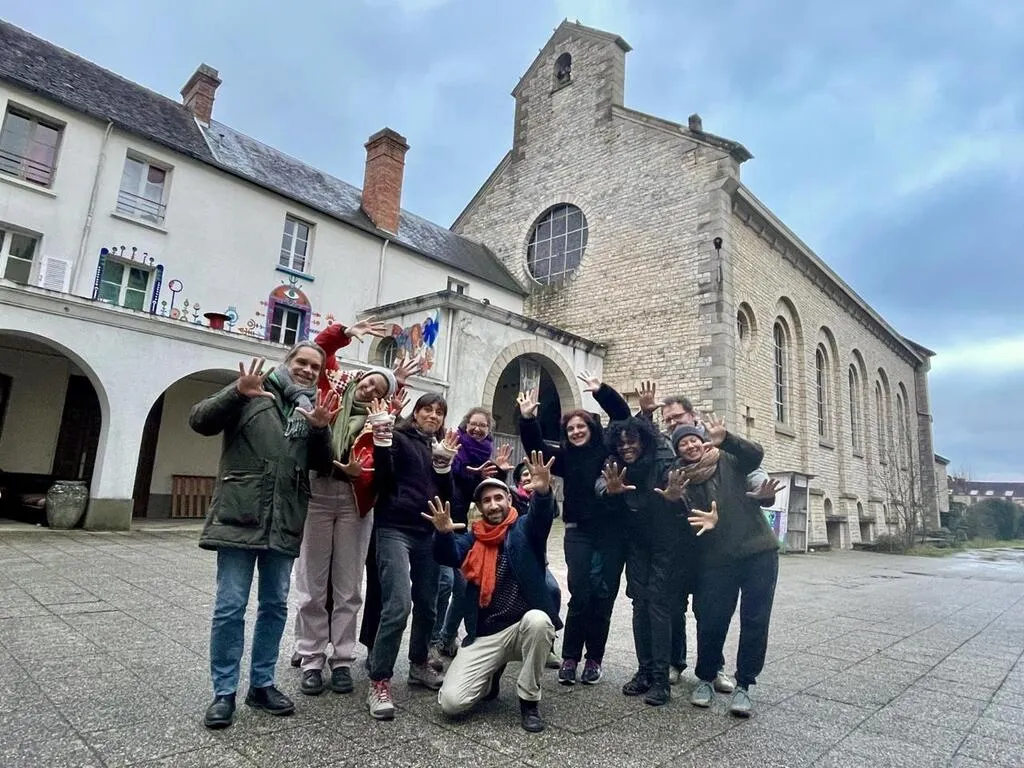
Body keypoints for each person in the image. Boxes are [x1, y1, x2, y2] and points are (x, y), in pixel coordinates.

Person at [191, 348, 340, 729]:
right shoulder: (253, 391)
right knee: (230, 606)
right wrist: (236, 392)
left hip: (285, 518)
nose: (307, 370)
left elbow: (323, 464)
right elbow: (200, 420)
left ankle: (262, 684)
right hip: (241, 512)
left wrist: (320, 430)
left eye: (315, 366)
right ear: (288, 362)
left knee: (274, 606)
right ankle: (224, 692)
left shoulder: (311, 407)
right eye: (301, 362)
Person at [634, 383, 781, 689]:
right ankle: (675, 661)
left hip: (716, 548)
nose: (673, 423)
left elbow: (754, 472)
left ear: (692, 415)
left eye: (677, 417)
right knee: (674, 605)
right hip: (680, 542)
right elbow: (641, 449)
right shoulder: (669, 453)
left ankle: (714, 669)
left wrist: (761, 493)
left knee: (710, 611)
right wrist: (645, 414)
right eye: (668, 419)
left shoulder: (719, 446)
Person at [427, 451, 562, 733]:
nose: (493, 504)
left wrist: (543, 493)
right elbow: (448, 555)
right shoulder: (471, 538)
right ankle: (491, 676)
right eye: (486, 500)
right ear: (479, 507)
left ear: (509, 500)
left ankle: (529, 700)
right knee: (451, 704)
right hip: (486, 634)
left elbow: (541, 518)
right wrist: (442, 533)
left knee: (539, 621)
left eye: (498, 498)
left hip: (522, 629)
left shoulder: (525, 529)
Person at [517, 370, 631, 686]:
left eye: (581, 426)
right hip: (578, 531)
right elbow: (536, 448)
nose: (576, 431)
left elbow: (622, 417)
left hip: (611, 533)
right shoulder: (565, 457)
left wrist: (601, 391)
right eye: (571, 428)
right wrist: (527, 419)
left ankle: (594, 659)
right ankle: (570, 657)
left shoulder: (607, 449)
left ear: (591, 428)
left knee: (603, 597)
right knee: (580, 593)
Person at [596, 417, 718, 706]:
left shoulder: (663, 463)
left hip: (667, 546)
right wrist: (608, 491)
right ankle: (645, 671)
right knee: (640, 605)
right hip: (637, 546)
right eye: (621, 443)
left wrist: (675, 498)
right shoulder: (616, 465)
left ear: (644, 441)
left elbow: (683, 495)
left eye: (632, 441)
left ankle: (661, 679)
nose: (626, 447)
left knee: (659, 606)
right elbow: (601, 484)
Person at [674, 416, 780, 717]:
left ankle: (744, 684)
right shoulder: (682, 479)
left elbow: (755, 455)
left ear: (703, 441)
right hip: (718, 557)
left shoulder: (729, 459)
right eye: (683, 443)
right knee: (712, 619)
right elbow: (683, 519)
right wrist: (702, 520)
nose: (690, 445)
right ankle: (706, 678)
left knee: (755, 619)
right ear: (678, 451)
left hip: (758, 551)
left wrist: (728, 439)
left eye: (693, 439)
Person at [366, 393, 459, 720]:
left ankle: (419, 663)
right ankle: (379, 680)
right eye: (427, 410)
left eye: (439, 412)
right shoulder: (399, 438)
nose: (433, 415)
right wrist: (381, 441)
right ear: (415, 413)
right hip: (394, 527)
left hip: (427, 532)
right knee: (398, 605)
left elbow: (446, 498)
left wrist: (444, 467)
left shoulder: (439, 447)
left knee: (428, 603)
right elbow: (382, 477)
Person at [431, 408, 514, 664]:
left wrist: (497, 473)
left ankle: (446, 638)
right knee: (444, 584)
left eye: (483, 425)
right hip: (439, 520)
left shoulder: (484, 453)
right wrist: (472, 472)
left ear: (489, 430)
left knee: (463, 585)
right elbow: (450, 477)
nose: (477, 429)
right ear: (465, 425)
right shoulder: (454, 445)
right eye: (473, 424)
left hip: (459, 525)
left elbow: (483, 493)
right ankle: (434, 641)